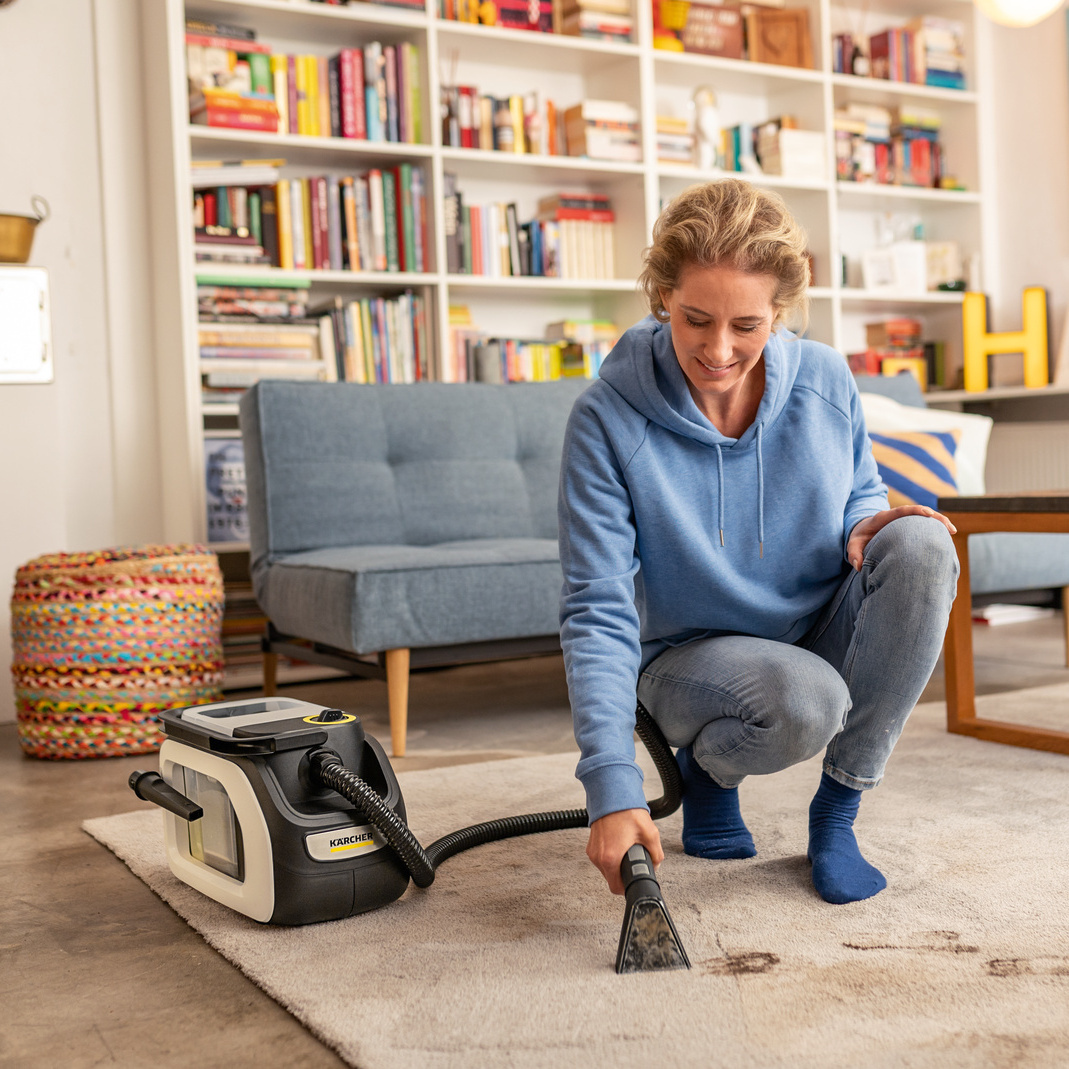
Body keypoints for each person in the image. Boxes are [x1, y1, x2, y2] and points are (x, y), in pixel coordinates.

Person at [557, 178, 959, 905]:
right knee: (805, 699)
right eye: (695, 319)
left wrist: (866, 521)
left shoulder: (825, 377)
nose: (718, 350)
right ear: (663, 298)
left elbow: (859, 489)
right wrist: (611, 787)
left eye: (746, 325)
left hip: (812, 626)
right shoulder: (606, 419)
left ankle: (836, 814)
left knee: (923, 546)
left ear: (779, 311)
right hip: (688, 660)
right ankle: (710, 769)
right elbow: (597, 608)